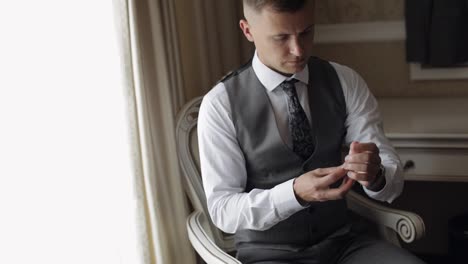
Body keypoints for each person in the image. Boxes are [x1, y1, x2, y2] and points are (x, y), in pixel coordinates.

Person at [198, 0, 425, 263]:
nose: (298, 50)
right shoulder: (220, 104)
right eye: (281, 37)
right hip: (270, 256)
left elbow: (390, 180)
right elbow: (223, 211)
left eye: (306, 32)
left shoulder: (344, 81)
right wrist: (293, 193)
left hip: (344, 244)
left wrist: (375, 175)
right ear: (247, 30)